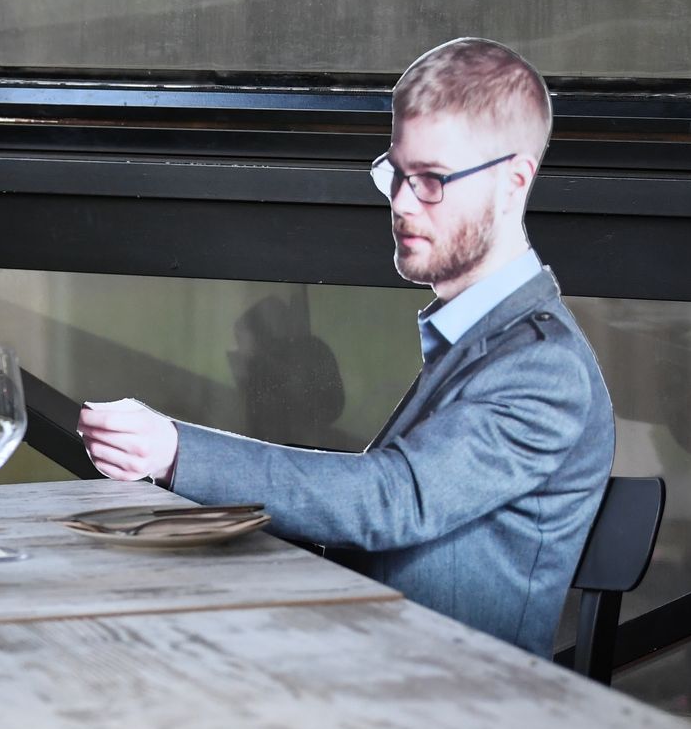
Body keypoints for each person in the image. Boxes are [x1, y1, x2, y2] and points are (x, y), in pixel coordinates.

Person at [79, 38, 615, 658]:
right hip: (369, 667)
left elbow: (390, 502)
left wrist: (176, 452)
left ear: (514, 181)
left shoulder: (544, 366)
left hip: (450, 710)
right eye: (397, 173)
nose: (402, 203)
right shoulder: (480, 340)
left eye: (433, 180)